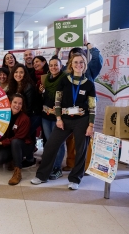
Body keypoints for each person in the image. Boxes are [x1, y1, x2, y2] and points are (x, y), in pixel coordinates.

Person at [31, 52, 96, 190]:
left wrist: (90, 125)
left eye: (81, 62)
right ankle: (42, 176)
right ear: (71, 65)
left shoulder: (89, 84)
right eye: (76, 62)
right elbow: (57, 101)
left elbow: (92, 107)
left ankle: (75, 179)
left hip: (82, 121)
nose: (78, 65)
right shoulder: (64, 80)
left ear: (84, 65)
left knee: (81, 149)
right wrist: (59, 118)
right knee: (50, 146)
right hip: (64, 120)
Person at [61, 39, 103, 171]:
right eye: (73, 58)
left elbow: (97, 58)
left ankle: (86, 166)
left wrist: (88, 44)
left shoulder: (89, 71)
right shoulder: (66, 73)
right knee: (70, 139)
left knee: (85, 140)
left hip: (86, 112)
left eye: (80, 57)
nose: (77, 62)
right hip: (69, 112)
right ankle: (71, 163)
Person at [0, 94, 32, 185]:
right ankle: (13, 159)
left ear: (22, 106)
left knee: (15, 142)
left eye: (20, 103)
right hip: (9, 144)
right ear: (10, 103)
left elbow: (18, 138)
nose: (17, 105)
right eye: (15, 102)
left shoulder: (25, 119)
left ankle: (17, 171)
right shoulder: (4, 115)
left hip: (24, 145)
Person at [39, 56, 67, 180]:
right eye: (51, 65)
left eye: (56, 65)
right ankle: (50, 165)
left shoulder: (65, 79)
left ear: (61, 66)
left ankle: (57, 168)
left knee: (59, 142)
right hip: (46, 115)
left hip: (59, 116)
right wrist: (42, 91)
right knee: (50, 142)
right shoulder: (46, 79)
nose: (54, 67)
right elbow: (45, 97)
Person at [6, 64, 38, 168]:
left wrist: (19, 120)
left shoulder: (28, 86)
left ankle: (29, 159)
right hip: (23, 115)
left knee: (26, 135)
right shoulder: (13, 85)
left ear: (25, 74)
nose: (18, 74)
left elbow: (28, 107)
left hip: (33, 115)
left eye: (21, 72)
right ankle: (22, 157)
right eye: (16, 72)